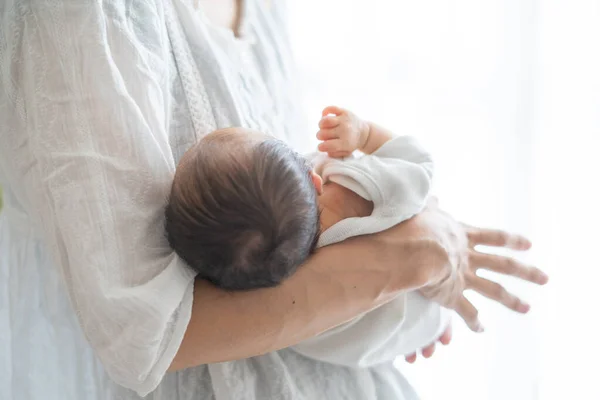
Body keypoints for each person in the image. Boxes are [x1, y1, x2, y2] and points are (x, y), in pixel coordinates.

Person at [0, 1, 548, 399]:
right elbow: (142, 333)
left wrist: (403, 278)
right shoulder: (80, 17)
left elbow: (294, 242)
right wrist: (405, 262)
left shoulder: (265, 10)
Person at [166, 104, 450, 367]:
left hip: (404, 326)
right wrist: (365, 134)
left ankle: (430, 323)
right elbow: (418, 161)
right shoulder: (356, 186)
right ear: (314, 179)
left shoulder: (275, 294)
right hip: (434, 276)